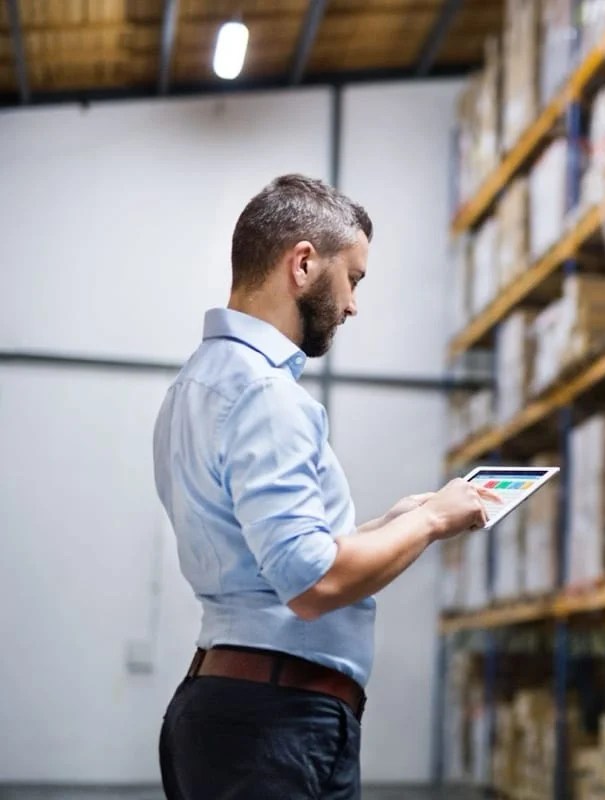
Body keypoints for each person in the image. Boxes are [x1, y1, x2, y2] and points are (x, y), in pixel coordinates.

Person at [152, 174, 497, 798]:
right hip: (274, 725)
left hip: (237, 711)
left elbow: (266, 557)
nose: (354, 305)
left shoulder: (196, 386)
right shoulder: (266, 395)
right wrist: (432, 521)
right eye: (354, 278)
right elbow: (310, 583)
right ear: (304, 264)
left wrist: (386, 526)